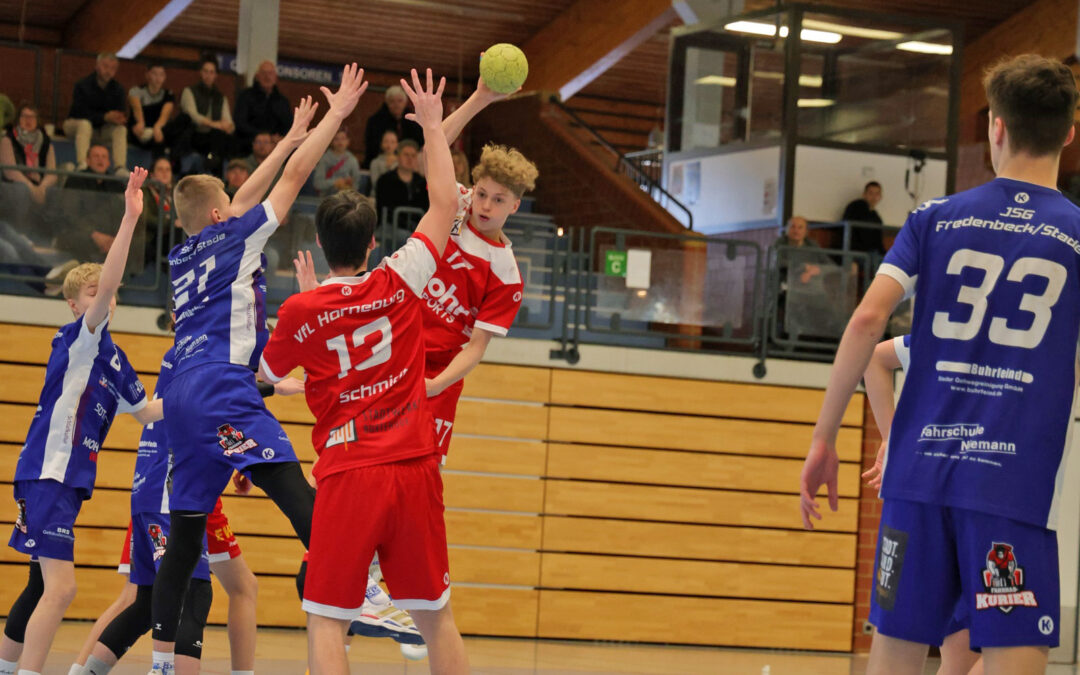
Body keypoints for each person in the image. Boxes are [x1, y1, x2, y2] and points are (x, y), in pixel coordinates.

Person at [800, 54, 1080, 675]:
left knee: (896, 651)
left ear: (996, 128)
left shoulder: (934, 218)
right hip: (1014, 484)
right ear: (1068, 132)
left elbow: (867, 324)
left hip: (919, 478)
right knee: (1013, 654)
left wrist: (825, 437)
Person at [145, 66, 367, 675]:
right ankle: (353, 582)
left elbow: (236, 201)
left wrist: (292, 135)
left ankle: (161, 663)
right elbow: (290, 182)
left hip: (180, 397)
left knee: (186, 535)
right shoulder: (233, 236)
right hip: (222, 388)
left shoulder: (184, 251)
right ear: (221, 218)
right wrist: (333, 117)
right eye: (231, 205)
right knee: (294, 488)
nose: (241, 206)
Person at [259, 66, 468, 675]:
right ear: (375, 243)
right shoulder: (401, 277)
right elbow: (444, 203)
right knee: (436, 619)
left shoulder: (302, 308)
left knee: (326, 617)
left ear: (321, 245)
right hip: (413, 464)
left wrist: (307, 307)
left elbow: (272, 373)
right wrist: (432, 124)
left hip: (350, 473)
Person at [0, 169, 163, 675]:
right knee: (63, 587)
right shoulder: (79, 339)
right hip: (50, 471)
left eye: (106, 293)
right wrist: (131, 219)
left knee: (37, 583)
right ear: (75, 306)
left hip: (66, 481)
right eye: (93, 294)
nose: (105, 298)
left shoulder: (113, 356)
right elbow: (112, 276)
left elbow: (150, 413)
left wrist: (238, 386)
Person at [77, 345, 301, 675]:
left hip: (163, 488)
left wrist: (242, 462)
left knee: (148, 601)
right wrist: (274, 387)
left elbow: (209, 413)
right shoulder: (199, 355)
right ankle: (159, 667)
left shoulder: (187, 354)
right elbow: (216, 397)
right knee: (191, 593)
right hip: (173, 491)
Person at [861, 334, 983, 675]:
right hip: (976, 502)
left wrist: (893, 439)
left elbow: (872, 356)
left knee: (957, 658)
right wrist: (892, 440)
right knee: (1006, 652)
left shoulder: (934, 332)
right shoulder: (1005, 341)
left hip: (922, 495)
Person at [63, 53, 127, 169]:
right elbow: (79, 113)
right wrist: (104, 117)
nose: (108, 71)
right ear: (97, 66)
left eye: (112, 68)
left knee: (120, 129)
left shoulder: (118, 89)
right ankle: (83, 163)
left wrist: (118, 118)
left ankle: (120, 167)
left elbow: (121, 113)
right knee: (85, 124)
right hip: (76, 125)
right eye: (105, 66)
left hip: (101, 130)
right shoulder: (82, 85)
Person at [176, 57, 235, 175]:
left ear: (216, 75)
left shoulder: (220, 97)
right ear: (201, 73)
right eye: (205, 71)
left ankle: (217, 173)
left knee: (225, 139)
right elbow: (193, 115)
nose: (208, 75)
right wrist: (215, 124)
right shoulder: (189, 91)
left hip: (212, 138)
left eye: (212, 72)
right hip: (193, 135)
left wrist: (228, 127)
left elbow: (228, 120)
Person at [1, 104, 57, 206]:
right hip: (16, 185)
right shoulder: (7, 140)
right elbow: (10, 171)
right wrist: (31, 188)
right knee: (21, 190)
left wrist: (42, 188)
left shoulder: (46, 143)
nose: (29, 120)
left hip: (40, 185)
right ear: (18, 119)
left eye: (32, 117)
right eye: (24, 116)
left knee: (54, 191)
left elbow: (51, 173)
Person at [234, 60, 293, 152]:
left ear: (275, 77)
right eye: (264, 73)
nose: (267, 77)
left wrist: (280, 138)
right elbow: (240, 123)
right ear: (257, 77)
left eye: (270, 73)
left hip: (276, 147)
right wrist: (263, 136)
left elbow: (289, 125)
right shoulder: (245, 96)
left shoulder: (282, 101)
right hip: (248, 146)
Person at [363, 85, 423, 168]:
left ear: (405, 102)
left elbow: (419, 143)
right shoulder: (376, 121)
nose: (396, 105)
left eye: (400, 101)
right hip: (382, 162)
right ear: (387, 103)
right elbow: (372, 147)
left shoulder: (414, 120)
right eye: (392, 101)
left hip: (409, 162)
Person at [128, 64, 178, 159]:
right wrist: (140, 123)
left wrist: (157, 127)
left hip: (157, 131)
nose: (158, 78)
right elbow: (137, 109)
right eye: (154, 74)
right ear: (147, 75)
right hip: (141, 130)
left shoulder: (168, 94)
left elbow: (165, 114)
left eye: (161, 74)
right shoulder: (136, 91)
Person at [375, 139, 427, 225]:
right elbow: (385, 211)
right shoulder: (385, 180)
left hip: (416, 227)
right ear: (398, 157)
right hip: (391, 226)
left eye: (413, 156)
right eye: (406, 155)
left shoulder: (422, 183)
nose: (410, 159)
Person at [842, 181, 885, 258]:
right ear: (864, 195)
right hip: (854, 251)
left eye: (877, 194)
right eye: (870, 193)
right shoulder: (856, 207)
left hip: (870, 253)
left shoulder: (877, 218)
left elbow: (878, 242)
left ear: (880, 197)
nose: (874, 197)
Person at [313, 128, 361, 196]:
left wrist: (349, 185)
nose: (340, 142)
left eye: (343, 138)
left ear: (348, 141)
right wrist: (335, 182)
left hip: (346, 198)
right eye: (336, 139)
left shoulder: (352, 160)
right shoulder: (324, 159)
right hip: (326, 198)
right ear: (331, 141)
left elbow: (356, 186)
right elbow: (317, 184)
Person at [368, 129, 398, 194]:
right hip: (377, 196)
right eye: (386, 141)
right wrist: (388, 168)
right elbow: (376, 184)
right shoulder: (375, 162)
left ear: (397, 145)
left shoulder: (401, 163)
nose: (389, 145)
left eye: (392, 142)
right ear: (381, 144)